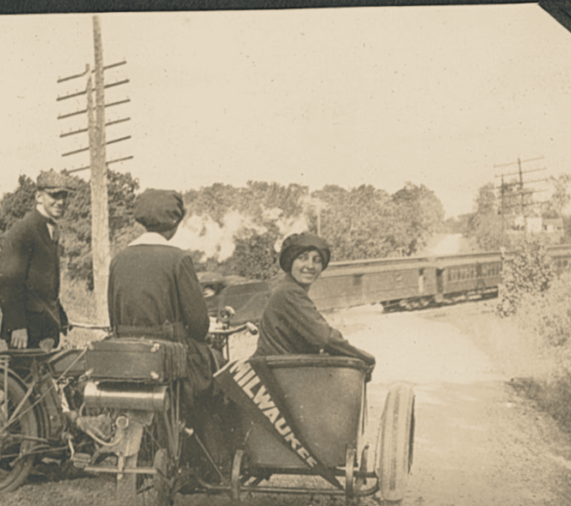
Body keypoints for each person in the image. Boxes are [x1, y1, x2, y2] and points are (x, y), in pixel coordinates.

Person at [108, 189, 232, 474]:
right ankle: (208, 458)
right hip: (170, 355)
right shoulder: (178, 259)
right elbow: (199, 325)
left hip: (129, 354)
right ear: (174, 224)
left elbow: (113, 315)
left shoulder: (119, 259)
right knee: (216, 370)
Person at [252, 232, 374, 361]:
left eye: (317, 260)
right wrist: (365, 358)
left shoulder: (287, 288)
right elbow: (325, 338)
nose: (310, 266)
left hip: (280, 369)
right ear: (290, 262)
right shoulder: (289, 292)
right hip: (275, 374)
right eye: (302, 258)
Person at [0, 170, 74, 352]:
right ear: (39, 196)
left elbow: (44, 285)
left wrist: (60, 318)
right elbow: (7, 281)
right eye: (54, 195)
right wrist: (16, 325)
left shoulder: (51, 230)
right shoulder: (24, 231)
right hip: (26, 333)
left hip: (46, 329)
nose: (61, 202)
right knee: (22, 380)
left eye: (64, 196)